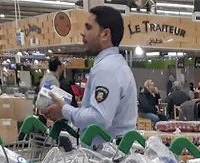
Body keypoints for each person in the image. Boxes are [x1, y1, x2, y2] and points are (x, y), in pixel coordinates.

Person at [42, 5, 137, 137]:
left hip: (106, 154)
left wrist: (65, 110)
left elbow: (99, 118)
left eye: (88, 27)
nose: (83, 32)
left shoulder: (107, 69)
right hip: (112, 151)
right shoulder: (116, 65)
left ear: (105, 34)